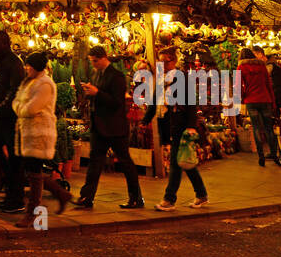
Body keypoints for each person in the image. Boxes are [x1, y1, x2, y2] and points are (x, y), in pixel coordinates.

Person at [73, 45, 143, 209]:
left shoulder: (116, 76)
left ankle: (136, 198)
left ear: (103, 58)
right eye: (91, 62)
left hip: (115, 128)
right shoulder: (97, 74)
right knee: (94, 163)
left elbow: (117, 102)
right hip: (99, 126)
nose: (93, 64)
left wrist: (97, 93)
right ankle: (86, 197)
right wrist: (90, 93)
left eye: (95, 61)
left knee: (126, 163)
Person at [144, 50, 208, 210]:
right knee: (184, 161)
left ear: (173, 62)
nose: (163, 66)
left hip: (181, 124)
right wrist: (145, 119)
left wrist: (191, 126)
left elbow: (191, 103)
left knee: (175, 163)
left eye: (165, 62)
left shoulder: (182, 78)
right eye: (161, 62)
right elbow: (155, 100)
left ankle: (169, 199)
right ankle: (201, 195)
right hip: (169, 124)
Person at [11, 51, 69, 226]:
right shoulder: (29, 82)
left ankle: (32, 213)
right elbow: (16, 102)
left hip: (39, 133)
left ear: (36, 67)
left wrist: (20, 108)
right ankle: (61, 194)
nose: (26, 68)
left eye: (29, 65)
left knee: (34, 172)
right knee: (32, 171)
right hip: (27, 132)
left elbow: (31, 108)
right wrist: (20, 107)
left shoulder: (45, 84)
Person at [0, 30, 26, 214]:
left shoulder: (15, 63)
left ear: (5, 44)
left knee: (14, 158)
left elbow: (14, 91)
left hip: (10, 117)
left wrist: (0, 109)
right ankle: (8, 190)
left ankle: (16, 196)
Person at [237, 47, 281, 167]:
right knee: (269, 128)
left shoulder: (241, 67)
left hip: (251, 101)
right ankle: (274, 154)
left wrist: (242, 97)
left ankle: (261, 156)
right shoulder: (262, 66)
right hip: (265, 99)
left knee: (257, 128)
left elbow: (239, 87)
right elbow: (269, 85)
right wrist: (273, 102)